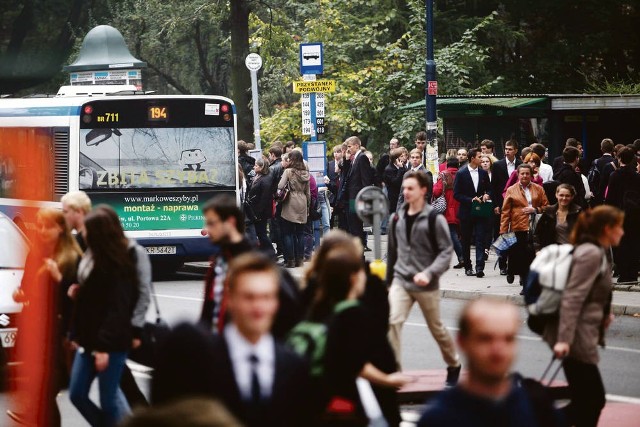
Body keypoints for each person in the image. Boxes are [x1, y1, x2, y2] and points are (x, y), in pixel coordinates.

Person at [153, 254, 311, 427]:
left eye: (266, 297)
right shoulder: (202, 360)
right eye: (249, 297)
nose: (258, 307)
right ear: (230, 300)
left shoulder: (295, 366)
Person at [307, 238, 407, 426]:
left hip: (323, 396)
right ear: (353, 276)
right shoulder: (353, 313)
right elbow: (355, 362)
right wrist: (387, 380)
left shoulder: (313, 293)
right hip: (360, 397)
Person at [418, 299, 563, 427]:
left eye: (508, 339)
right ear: (462, 342)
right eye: (485, 339)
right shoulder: (439, 418)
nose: (498, 350)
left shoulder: (538, 406)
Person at [543, 206, 622, 427]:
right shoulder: (591, 253)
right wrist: (564, 340)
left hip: (579, 333)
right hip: (573, 337)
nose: (623, 233)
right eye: (619, 228)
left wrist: (605, 313)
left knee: (584, 401)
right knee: (593, 399)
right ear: (607, 229)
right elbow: (572, 297)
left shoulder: (597, 251)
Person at [9, 208, 82, 426]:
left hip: (61, 330)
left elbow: (77, 297)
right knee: (43, 387)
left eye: (47, 226)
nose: (42, 231)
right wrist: (20, 294)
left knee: (49, 387)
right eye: (39, 225)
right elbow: (26, 287)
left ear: (60, 228)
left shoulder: (72, 257)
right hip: (38, 328)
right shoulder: (36, 252)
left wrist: (58, 277)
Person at [387, 170, 461, 385]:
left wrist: (428, 273)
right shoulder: (397, 218)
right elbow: (392, 252)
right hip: (401, 279)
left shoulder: (433, 219)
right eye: (404, 188)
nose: (406, 192)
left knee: (436, 327)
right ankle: (395, 373)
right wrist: (388, 282)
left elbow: (446, 252)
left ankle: (454, 364)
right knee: (393, 322)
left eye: (410, 188)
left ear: (423, 190)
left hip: (426, 284)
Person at [69, 206, 139, 427]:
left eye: (88, 230)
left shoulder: (119, 264)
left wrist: (103, 348)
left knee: (109, 401)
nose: (84, 234)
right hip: (87, 339)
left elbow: (117, 309)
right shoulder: (90, 256)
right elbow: (92, 298)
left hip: (110, 343)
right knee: (76, 394)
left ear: (99, 233)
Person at [500, 164, 548, 291]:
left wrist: (535, 209)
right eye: (522, 173)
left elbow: (547, 206)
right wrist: (503, 230)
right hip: (518, 226)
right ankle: (521, 278)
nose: (525, 176)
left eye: (527, 173)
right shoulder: (511, 190)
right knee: (521, 256)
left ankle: (527, 282)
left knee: (531, 256)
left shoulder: (539, 189)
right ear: (518, 175)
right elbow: (505, 212)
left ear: (531, 175)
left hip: (535, 227)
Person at [453, 148, 493, 278]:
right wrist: (470, 199)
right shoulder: (461, 173)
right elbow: (456, 194)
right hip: (466, 211)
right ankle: (468, 267)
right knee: (466, 240)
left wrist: (487, 195)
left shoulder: (483, 173)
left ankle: (480, 267)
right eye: (479, 157)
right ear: (472, 159)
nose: (482, 159)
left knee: (480, 238)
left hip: (481, 210)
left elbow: (489, 189)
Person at [604, 146, 640, 283]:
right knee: (634, 242)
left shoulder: (615, 175)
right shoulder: (637, 176)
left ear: (619, 158)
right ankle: (632, 272)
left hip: (618, 215)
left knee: (620, 243)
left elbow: (610, 197)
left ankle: (624, 273)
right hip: (635, 215)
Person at [491, 140, 521, 275]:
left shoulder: (521, 165)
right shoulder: (498, 165)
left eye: (510, 149)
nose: (507, 151)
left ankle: (514, 264)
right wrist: (496, 205)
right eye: (506, 149)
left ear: (515, 150)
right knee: (503, 234)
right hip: (502, 205)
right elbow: (494, 187)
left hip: (518, 206)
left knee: (516, 235)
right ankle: (502, 264)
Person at [278, 149, 310, 267]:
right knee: (300, 233)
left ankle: (291, 260)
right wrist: (307, 206)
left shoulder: (288, 172)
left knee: (288, 233)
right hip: (302, 202)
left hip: (290, 202)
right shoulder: (306, 173)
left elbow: (280, 185)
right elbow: (308, 193)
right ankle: (300, 260)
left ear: (292, 160)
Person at [433, 157, 464, 268]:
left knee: (452, 234)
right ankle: (462, 258)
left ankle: (462, 257)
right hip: (461, 207)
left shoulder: (444, 175)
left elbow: (436, 192)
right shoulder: (463, 174)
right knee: (458, 233)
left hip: (448, 209)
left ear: (447, 165)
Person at [248, 156, 276, 258]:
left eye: (256, 165)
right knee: (260, 233)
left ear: (261, 167)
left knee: (262, 233)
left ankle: (271, 253)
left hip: (261, 212)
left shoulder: (266, 180)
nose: (254, 167)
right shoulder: (258, 176)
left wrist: (258, 213)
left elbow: (265, 199)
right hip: (256, 209)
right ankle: (266, 252)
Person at [589, 138, 615, 205]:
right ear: (612, 149)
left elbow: (591, 178)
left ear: (601, 149)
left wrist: (593, 192)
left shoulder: (596, 162)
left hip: (599, 195)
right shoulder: (616, 162)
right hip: (612, 194)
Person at [383, 148, 407, 215]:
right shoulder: (389, 169)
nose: (404, 158)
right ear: (395, 158)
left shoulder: (403, 166)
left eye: (405, 156)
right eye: (401, 156)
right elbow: (396, 182)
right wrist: (400, 169)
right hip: (394, 198)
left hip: (402, 196)